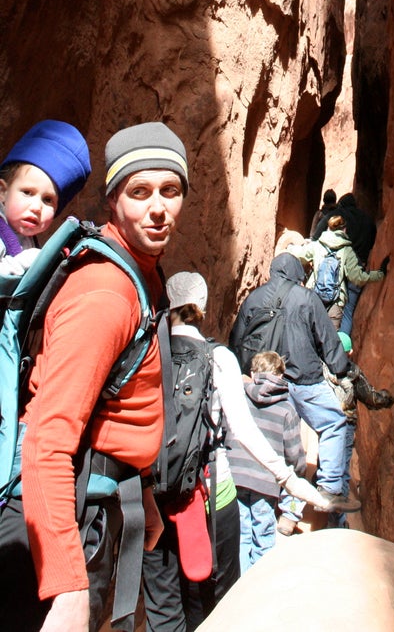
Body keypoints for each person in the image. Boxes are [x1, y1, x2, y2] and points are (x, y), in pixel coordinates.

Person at [0, 120, 189, 632]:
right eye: (140, 192)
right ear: (112, 200)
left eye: (170, 191)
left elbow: (122, 402)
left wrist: (142, 491)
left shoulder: (141, 274)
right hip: (63, 520)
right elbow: (47, 437)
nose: (158, 208)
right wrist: (66, 586)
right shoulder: (105, 292)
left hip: (96, 505)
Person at [143, 273, 330, 631]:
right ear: (202, 307)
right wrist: (288, 479)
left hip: (153, 495)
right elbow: (244, 430)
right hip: (211, 492)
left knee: (163, 603)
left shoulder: (149, 353)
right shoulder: (219, 358)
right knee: (215, 598)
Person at [229, 252, 362, 513]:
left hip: (266, 379)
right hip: (303, 379)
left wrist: (244, 374)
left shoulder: (254, 298)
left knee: (281, 441)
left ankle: (286, 511)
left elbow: (237, 338)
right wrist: (340, 368)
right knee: (334, 423)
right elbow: (326, 337)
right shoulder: (306, 298)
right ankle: (330, 490)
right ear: (296, 274)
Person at [227, 350, 306, 558]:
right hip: (267, 480)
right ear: (280, 375)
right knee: (263, 537)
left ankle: (242, 578)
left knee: (241, 535)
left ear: (253, 373)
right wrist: (297, 475)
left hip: (236, 475)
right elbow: (294, 453)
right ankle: (259, 577)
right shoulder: (286, 409)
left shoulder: (237, 398)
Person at [0, 119, 91, 276]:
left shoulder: (27, 239)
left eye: (48, 200)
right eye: (27, 192)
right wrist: (19, 264)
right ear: (2, 191)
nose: (36, 207)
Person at [323, 331, 394, 529]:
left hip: (324, 423)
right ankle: (337, 522)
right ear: (350, 352)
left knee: (327, 460)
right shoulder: (352, 372)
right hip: (344, 425)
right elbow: (371, 398)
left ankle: (321, 488)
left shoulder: (320, 368)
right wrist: (387, 398)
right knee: (341, 472)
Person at [294, 215, 385, 332]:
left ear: (328, 228)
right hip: (335, 303)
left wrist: (289, 247)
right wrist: (379, 274)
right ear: (344, 229)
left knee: (309, 334)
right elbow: (357, 277)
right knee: (330, 339)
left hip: (314, 298)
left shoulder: (317, 245)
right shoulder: (347, 251)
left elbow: (299, 256)